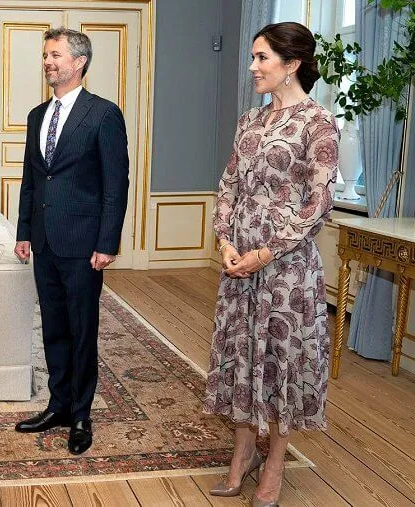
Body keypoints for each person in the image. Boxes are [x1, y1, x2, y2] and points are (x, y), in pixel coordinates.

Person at [203, 22, 339, 507]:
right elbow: (228, 185)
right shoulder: (249, 121)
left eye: (262, 58)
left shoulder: (318, 123)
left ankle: (274, 466)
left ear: (292, 65)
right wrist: (225, 242)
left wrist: (266, 252)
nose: (253, 67)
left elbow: (318, 202)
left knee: (281, 363)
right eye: (253, 57)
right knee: (240, 358)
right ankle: (242, 455)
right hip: (239, 263)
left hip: (285, 270)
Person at [13, 27, 129, 456]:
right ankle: (58, 404)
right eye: (45, 55)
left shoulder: (103, 114)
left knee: (82, 330)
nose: (48, 62)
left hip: (84, 244)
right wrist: (24, 231)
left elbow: (116, 185)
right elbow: (31, 181)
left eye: (55, 55)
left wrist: (107, 242)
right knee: (55, 329)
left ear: (79, 62)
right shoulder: (36, 115)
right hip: (43, 242)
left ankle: (81, 414)